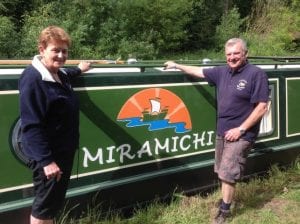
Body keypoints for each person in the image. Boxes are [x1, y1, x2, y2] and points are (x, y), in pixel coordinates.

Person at [164, 38, 269, 224]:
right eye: (229, 54)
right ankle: (226, 201)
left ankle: (224, 212)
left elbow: (262, 107)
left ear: (245, 53)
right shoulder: (222, 72)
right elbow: (198, 71)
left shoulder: (256, 74)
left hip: (242, 133)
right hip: (222, 131)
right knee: (222, 170)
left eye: (236, 53)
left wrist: (241, 129)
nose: (232, 57)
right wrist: (177, 65)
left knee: (228, 172)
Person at [19, 26, 91, 224]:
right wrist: (46, 161)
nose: (60, 55)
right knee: (44, 207)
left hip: (61, 151)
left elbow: (68, 71)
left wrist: (80, 69)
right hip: (50, 157)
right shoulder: (33, 79)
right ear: (42, 50)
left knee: (50, 205)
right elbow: (31, 125)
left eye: (64, 51)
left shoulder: (59, 74)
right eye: (55, 50)